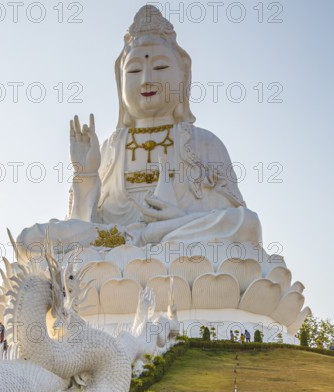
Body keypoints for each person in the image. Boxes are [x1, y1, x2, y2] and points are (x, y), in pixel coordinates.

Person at [17, 5, 262, 261]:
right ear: (120, 81)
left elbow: (232, 221)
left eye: (160, 68)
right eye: (134, 70)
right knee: (30, 240)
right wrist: (85, 174)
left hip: (178, 239)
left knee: (247, 224)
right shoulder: (112, 146)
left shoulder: (204, 142)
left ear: (183, 76)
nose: (146, 79)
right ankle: (140, 240)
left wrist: (177, 219)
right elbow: (84, 223)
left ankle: (151, 237)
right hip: (115, 239)